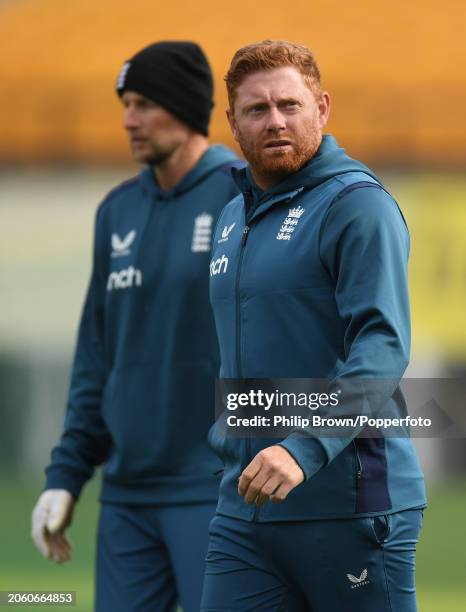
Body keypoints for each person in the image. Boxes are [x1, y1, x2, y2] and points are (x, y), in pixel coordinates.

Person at [202, 40, 427, 612]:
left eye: (290, 105)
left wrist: (303, 448)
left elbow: (381, 347)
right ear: (232, 122)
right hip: (244, 510)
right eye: (257, 110)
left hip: (350, 507)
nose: (275, 121)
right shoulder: (233, 216)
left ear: (321, 108)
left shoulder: (357, 205)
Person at [31, 41, 241, 612]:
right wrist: (65, 475)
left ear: (187, 106)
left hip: (215, 490)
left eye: (145, 103)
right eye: (125, 103)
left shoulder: (244, 193)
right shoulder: (116, 210)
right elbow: (97, 356)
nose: (129, 120)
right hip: (127, 499)